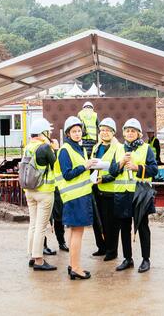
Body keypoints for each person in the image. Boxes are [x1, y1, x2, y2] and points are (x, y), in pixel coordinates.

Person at [109, 118, 157, 273]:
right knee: (124, 228)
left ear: (138, 134)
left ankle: (145, 259)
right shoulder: (117, 149)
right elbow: (112, 171)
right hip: (122, 195)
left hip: (140, 194)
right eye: (127, 131)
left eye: (133, 131)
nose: (130, 133)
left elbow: (154, 169)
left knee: (143, 227)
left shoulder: (146, 148)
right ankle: (128, 258)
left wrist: (138, 168)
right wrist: (121, 163)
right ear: (124, 133)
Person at [58, 116, 98, 280]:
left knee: (75, 232)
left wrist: (90, 169)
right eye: (73, 131)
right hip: (75, 198)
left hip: (81, 196)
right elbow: (67, 175)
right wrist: (85, 166)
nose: (77, 133)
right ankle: (75, 268)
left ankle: (72, 264)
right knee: (77, 233)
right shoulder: (65, 150)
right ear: (68, 133)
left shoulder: (79, 149)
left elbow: (79, 173)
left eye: (79, 130)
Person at [23, 117, 59, 271]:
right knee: (41, 227)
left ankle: (32, 255)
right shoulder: (44, 148)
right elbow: (55, 165)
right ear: (43, 132)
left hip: (30, 191)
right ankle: (39, 260)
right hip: (44, 192)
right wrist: (55, 148)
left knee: (33, 224)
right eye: (48, 131)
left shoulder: (28, 147)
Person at [90, 117, 119, 261]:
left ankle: (111, 251)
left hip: (110, 190)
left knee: (110, 222)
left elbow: (117, 170)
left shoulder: (118, 147)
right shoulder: (96, 147)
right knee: (98, 220)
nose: (104, 133)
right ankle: (101, 247)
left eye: (107, 130)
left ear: (113, 132)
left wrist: (104, 179)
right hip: (96, 188)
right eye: (102, 130)